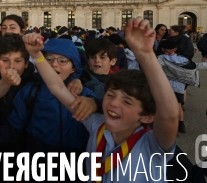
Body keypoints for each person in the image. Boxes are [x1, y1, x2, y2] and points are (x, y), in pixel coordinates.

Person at [23, 17, 178, 182]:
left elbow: (169, 115)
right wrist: (36, 55)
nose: (113, 103)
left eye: (127, 101)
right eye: (110, 95)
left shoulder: (152, 145)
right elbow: (58, 88)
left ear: (147, 116)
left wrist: (145, 55)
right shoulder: (97, 125)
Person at [0, 38, 97, 182]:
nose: (54, 64)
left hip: (76, 164)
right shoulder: (31, 91)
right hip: (38, 165)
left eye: (62, 61)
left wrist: (95, 103)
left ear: (74, 67)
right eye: (48, 59)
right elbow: (14, 124)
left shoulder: (85, 95)